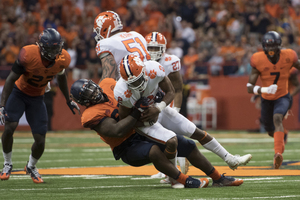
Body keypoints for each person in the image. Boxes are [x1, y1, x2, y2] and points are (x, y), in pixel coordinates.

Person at [70, 78, 244, 188]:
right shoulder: (90, 115)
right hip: (125, 146)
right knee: (154, 150)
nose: (95, 93)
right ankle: (183, 180)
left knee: (187, 145)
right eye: (89, 94)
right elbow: (116, 130)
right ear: (84, 101)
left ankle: (218, 178)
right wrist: (137, 112)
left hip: (141, 129)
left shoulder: (108, 84)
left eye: (92, 88)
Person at [114, 55, 252, 187]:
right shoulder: (122, 91)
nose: (138, 85)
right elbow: (126, 120)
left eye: (138, 80)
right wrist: (144, 120)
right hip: (144, 121)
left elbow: (170, 91)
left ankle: (229, 159)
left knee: (193, 130)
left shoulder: (154, 69)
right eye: (133, 83)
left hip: (159, 108)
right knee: (172, 140)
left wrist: (158, 108)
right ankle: (174, 177)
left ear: (144, 71)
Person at [0, 28, 80, 183]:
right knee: (10, 127)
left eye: (57, 48)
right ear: (42, 47)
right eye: (51, 48)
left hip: (37, 97)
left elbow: (62, 78)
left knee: (40, 139)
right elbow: (10, 80)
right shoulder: (28, 55)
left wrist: (68, 100)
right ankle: (7, 163)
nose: (55, 52)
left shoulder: (63, 58)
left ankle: (30, 166)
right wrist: (2, 105)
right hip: (19, 93)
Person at [247, 31, 300, 169]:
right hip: (266, 98)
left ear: (279, 46)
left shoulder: (289, 56)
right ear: (264, 47)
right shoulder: (258, 59)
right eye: (268, 46)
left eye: (273, 46)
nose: (270, 50)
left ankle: (277, 154)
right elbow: (249, 87)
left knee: (277, 118)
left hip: (283, 96)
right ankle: (284, 134)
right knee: (270, 130)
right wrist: (263, 90)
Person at [145, 32, 188, 178]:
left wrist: (176, 109)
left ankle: (174, 168)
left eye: (156, 48)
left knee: (170, 136)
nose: (153, 52)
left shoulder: (171, 61)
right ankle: (166, 170)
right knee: (157, 137)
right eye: (150, 48)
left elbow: (177, 89)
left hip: (165, 100)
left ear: (163, 49)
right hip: (151, 101)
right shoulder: (140, 60)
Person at [93, 11, 150, 82]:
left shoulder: (105, 43)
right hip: (150, 77)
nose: (97, 34)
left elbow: (108, 78)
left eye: (98, 31)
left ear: (105, 29)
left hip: (131, 83)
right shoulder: (136, 35)